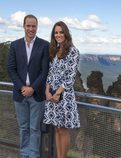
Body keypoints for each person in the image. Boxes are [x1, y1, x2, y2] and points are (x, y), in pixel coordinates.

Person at [7, 14, 49, 158]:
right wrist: (22, 87)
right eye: (28, 25)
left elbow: (45, 71)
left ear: (37, 27)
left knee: (35, 129)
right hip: (20, 95)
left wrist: (32, 88)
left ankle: (34, 156)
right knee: (24, 128)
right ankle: (24, 155)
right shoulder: (15, 45)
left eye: (34, 26)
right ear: (24, 26)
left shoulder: (44, 45)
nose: (31, 29)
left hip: (37, 95)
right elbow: (11, 69)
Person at [43, 21, 80, 158]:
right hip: (51, 95)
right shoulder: (54, 50)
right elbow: (50, 73)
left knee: (63, 130)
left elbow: (70, 77)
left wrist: (58, 93)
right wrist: (47, 91)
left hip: (63, 96)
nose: (58, 35)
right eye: (56, 32)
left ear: (66, 33)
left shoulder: (73, 51)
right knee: (57, 129)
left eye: (61, 32)